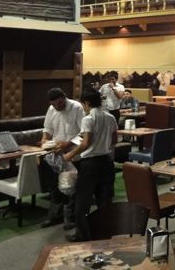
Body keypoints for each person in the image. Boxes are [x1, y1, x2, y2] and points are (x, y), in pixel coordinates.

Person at [62, 88, 118, 242]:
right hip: (107, 162)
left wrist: (70, 154)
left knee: (82, 200)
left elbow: (86, 143)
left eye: (84, 105)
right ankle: (105, 232)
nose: (84, 108)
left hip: (90, 164)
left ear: (86, 103)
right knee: (104, 200)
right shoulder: (110, 117)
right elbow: (114, 141)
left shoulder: (88, 119)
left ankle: (82, 234)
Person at [40, 88, 85, 230]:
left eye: (60, 104)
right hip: (55, 154)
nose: (57, 107)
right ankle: (54, 216)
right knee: (54, 187)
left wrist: (68, 144)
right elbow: (47, 129)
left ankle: (69, 219)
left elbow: (84, 132)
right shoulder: (52, 109)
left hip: (73, 153)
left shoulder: (77, 107)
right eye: (54, 105)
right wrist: (45, 141)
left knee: (71, 187)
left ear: (64, 97)